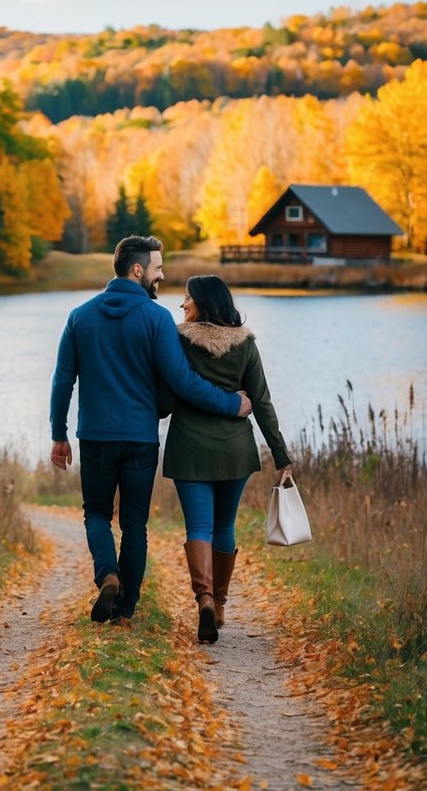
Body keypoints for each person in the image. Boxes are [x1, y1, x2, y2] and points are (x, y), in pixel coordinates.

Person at [50, 236, 253, 624]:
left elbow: (62, 381)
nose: (162, 277)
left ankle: (107, 575)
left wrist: (58, 434)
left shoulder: (80, 315)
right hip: (140, 439)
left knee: (95, 513)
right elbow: (182, 381)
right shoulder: (157, 319)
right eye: (158, 269)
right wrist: (232, 403)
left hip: (94, 436)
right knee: (134, 524)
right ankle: (125, 609)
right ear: (138, 270)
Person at [159, 275, 292, 644]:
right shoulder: (246, 344)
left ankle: (202, 598)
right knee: (224, 525)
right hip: (234, 449)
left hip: (189, 447)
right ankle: (218, 605)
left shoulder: (178, 341)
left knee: (198, 527)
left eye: (187, 298)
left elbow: (167, 398)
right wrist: (281, 455)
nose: (182, 304)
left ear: (203, 302)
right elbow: (261, 402)